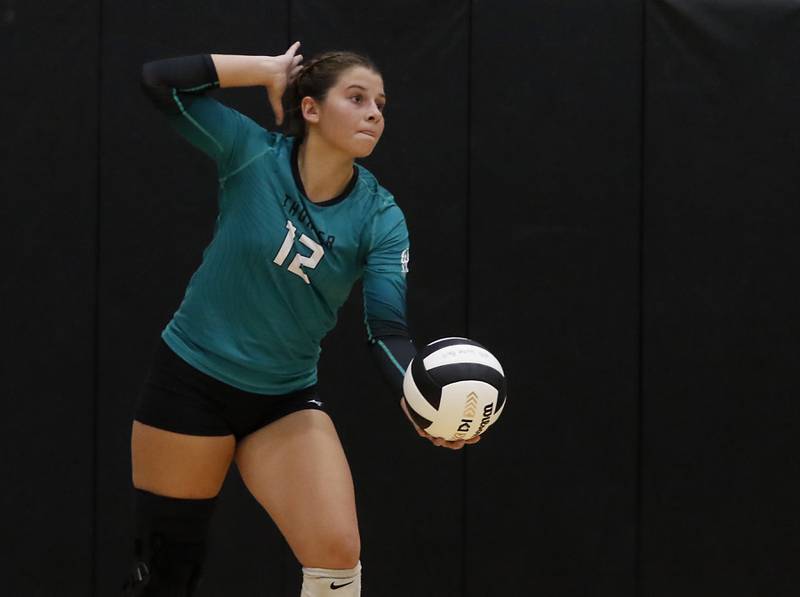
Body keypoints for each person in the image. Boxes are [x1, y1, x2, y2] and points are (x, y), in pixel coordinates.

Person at [123, 41, 480, 596]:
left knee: (337, 552)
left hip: (282, 399)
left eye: (381, 104)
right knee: (167, 575)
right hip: (190, 381)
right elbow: (158, 81)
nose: (374, 113)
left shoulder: (381, 217)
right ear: (310, 108)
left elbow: (387, 330)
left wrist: (420, 396)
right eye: (357, 97)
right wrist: (266, 71)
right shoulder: (253, 153)